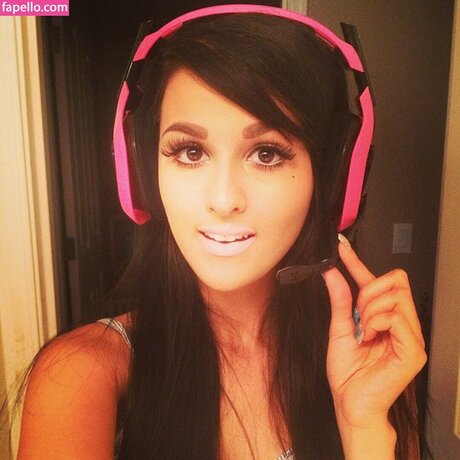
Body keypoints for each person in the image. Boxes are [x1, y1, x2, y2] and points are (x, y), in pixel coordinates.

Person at [17, 5, 426, 459]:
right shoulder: (81, 375)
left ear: (332, 181)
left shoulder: (373, 360)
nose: (224, 199)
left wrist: (364, 430)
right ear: (142, 174)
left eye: (267, 153)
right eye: (190, 152)